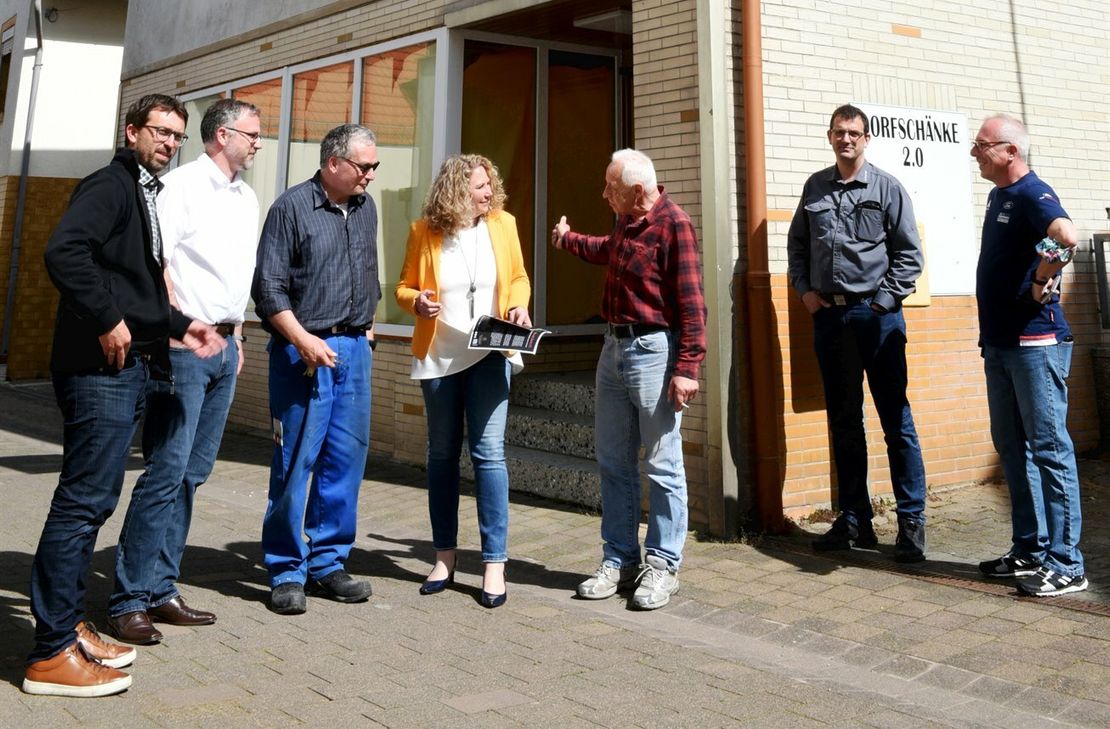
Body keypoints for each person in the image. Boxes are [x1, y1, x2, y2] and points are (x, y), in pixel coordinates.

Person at [24, 94, 225, 697]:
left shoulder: (144, 190)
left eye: (176, 136)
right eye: (159, 131)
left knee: (94, 501)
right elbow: (63, 253)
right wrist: (109, 317)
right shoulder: (111, 185)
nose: (168, 142)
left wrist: (176, 322)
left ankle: (68, 629)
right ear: (131, 130)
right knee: (83, 503)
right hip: (97, 371)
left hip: (128, 364)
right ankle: (50, 653)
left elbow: (127, 281)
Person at [107, 99, 263, 644]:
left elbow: (238, 274)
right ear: (221, 135)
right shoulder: (181, 187)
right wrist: (174, 331)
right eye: (252, 133)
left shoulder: (247, 197)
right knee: (165, 470)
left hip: (223, 345)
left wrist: (238, 334)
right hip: (182, 347)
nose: (258, 143)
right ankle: (128, 598)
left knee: (194, 473)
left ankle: (160, 588)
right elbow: (161, 264)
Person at [551, 148, 706, 611]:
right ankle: (618, 559)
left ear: (638, 191)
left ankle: (662, 566)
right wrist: (567, 239)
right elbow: (607, 250)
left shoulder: (674, 224)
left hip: (653, 352)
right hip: (613, 348)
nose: (603, 194)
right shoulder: (626, 222)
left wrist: (687, 369)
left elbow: (692, 304)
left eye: (610, 188)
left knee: (661, 464)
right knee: (614, 461)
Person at [786, 103, 929, 563]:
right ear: (829, 137)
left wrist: (884, 302)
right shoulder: (815, 187)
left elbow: (909, 255)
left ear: (866, 139)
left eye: (854, 133)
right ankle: (854, 520)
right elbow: (797, 245)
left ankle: (911, 524)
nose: (846, 139)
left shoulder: (888, 188)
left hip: (878, 316)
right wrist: (805, 292)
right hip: (831, 319)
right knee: (845, 420)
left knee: (895, 420)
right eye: (839, 132)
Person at [252, 123, 381, 615]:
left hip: (353, 351)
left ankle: (328, 561)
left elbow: (366, 270)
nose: (370, 175)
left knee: (344, 462)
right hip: (301, 353)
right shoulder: (290, 208)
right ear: (333, 164)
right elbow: (268, 289)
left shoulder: (366, 209)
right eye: (363, 166)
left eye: (374, 166)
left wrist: (365, 327)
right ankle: (287, 568)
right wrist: (304, 341)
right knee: (295, 463)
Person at [395, 154, 531, 609]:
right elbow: (403, 287)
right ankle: (444, 558)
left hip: (490, 353)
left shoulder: (504, 225)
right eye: (480, 186)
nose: (489, 193)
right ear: (457, 189)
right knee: (441, 456)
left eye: (491, 185)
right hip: (439, 356)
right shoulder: (424, 232)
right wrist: (418, 302)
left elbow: (517, 277)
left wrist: (517, 306)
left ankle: (494, 563)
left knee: (489, 455)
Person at [971, 114, 1086, 596]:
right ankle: (1030, 548)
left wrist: (1042, 278)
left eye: (982, 145)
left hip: (1036, 344)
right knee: (1011, 447)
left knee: (1049, 449)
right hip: (1000, 342)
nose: (974, 152)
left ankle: (1067, 562)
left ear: (1009, 151)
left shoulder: (1033, 193)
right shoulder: (1001, 196)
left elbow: (1066, 236)